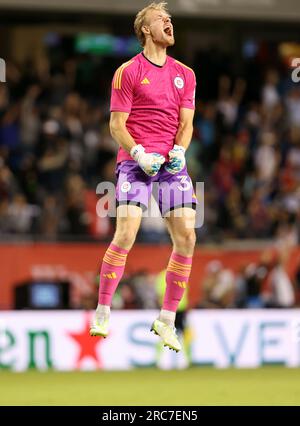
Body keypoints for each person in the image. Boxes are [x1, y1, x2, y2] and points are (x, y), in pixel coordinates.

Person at [90, 1, 197, 353]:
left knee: (187, 237)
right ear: (146, 31)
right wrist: (137, 153)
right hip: (136, 161)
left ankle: (166, 321)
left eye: (170, 18)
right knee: (125, 233)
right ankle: (103, 310)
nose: (169, 21)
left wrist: (179, 150)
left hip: (171, 163)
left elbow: (186, 124)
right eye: (160, 19)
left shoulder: (186, 73)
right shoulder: (127, 72)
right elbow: (116, 125)